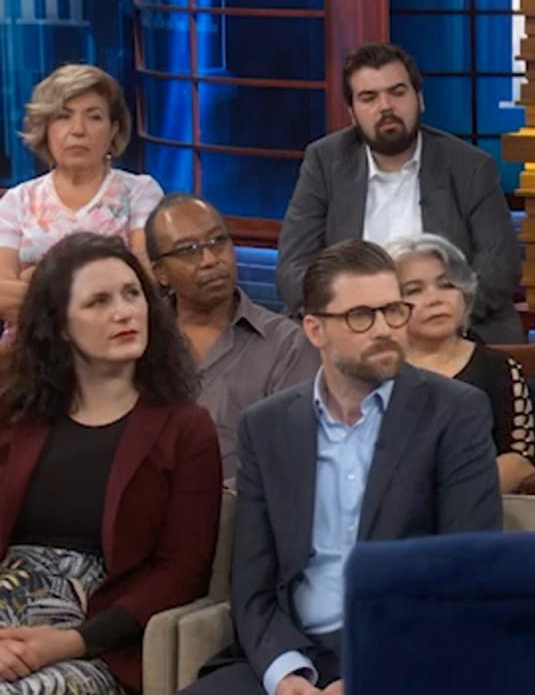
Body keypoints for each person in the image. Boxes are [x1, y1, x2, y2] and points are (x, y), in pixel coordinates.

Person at [182, 239, 502, 695]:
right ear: (315, 330)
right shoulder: (266, 426)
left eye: (393, 310)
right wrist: (286, 674)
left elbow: (467, 576)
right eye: (361, 316)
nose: (385, 329)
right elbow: (252, 588)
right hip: (297, 652)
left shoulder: (455, 413)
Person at [0, 232, 221, 693]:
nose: (123, 312)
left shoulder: (186, 428)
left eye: (131, 294)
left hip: (96, 639)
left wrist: (72, 641)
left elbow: (182, 572)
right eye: (98, 302)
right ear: (60, 324)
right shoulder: (14, 412)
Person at [275, 42, 523, 344]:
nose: (386, 107)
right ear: (352, 113)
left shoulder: (470, 166)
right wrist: (352, 318)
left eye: (397, 92)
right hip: (356, 329)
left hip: (449, 329)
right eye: (369, 98)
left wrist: (439, 315)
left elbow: (499, 265)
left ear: (419, 99)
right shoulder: (325, 162)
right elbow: (293, 267)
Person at [145, 193, 319, 482]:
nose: (210, 260)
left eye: (218, 241)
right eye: (188, 250)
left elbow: (290, 458)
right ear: (160, 272)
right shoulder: (139, 341)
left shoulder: (288, 345)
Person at [0, 64, 163, 343]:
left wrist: (36, 282)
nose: (78, 130)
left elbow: (144, 282)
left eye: (94, 117)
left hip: (116, 341)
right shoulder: (17, 201)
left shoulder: (139, 192)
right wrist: (95, 295)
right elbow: (3, 295)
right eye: (63, 116)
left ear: (113, 130)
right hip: (30, 347)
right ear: (45, 128)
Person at [387, 233, 535, 492]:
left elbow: (520, 462)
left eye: (447, 285)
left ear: (464, 294)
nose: (435, 299)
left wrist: (449, 498)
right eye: (414, 290)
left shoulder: (498, 369)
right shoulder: (377, 371)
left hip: (473, 503)